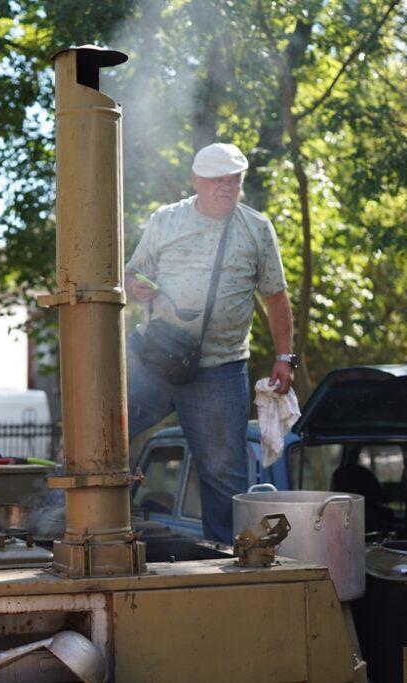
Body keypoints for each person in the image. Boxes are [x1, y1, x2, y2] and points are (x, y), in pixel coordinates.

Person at [124, 142, 295, 543]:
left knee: (224, 476)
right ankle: (70, 523)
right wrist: (137, 287)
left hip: (220, 368)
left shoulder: (256, 228)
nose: (227, 187)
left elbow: (276, 298)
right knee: (102, 430)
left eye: (234, 179)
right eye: (218, 179)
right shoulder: (166, 220)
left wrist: (285, 356)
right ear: (196, 181)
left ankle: (225, 561)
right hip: (154, 356)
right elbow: (131, 276)